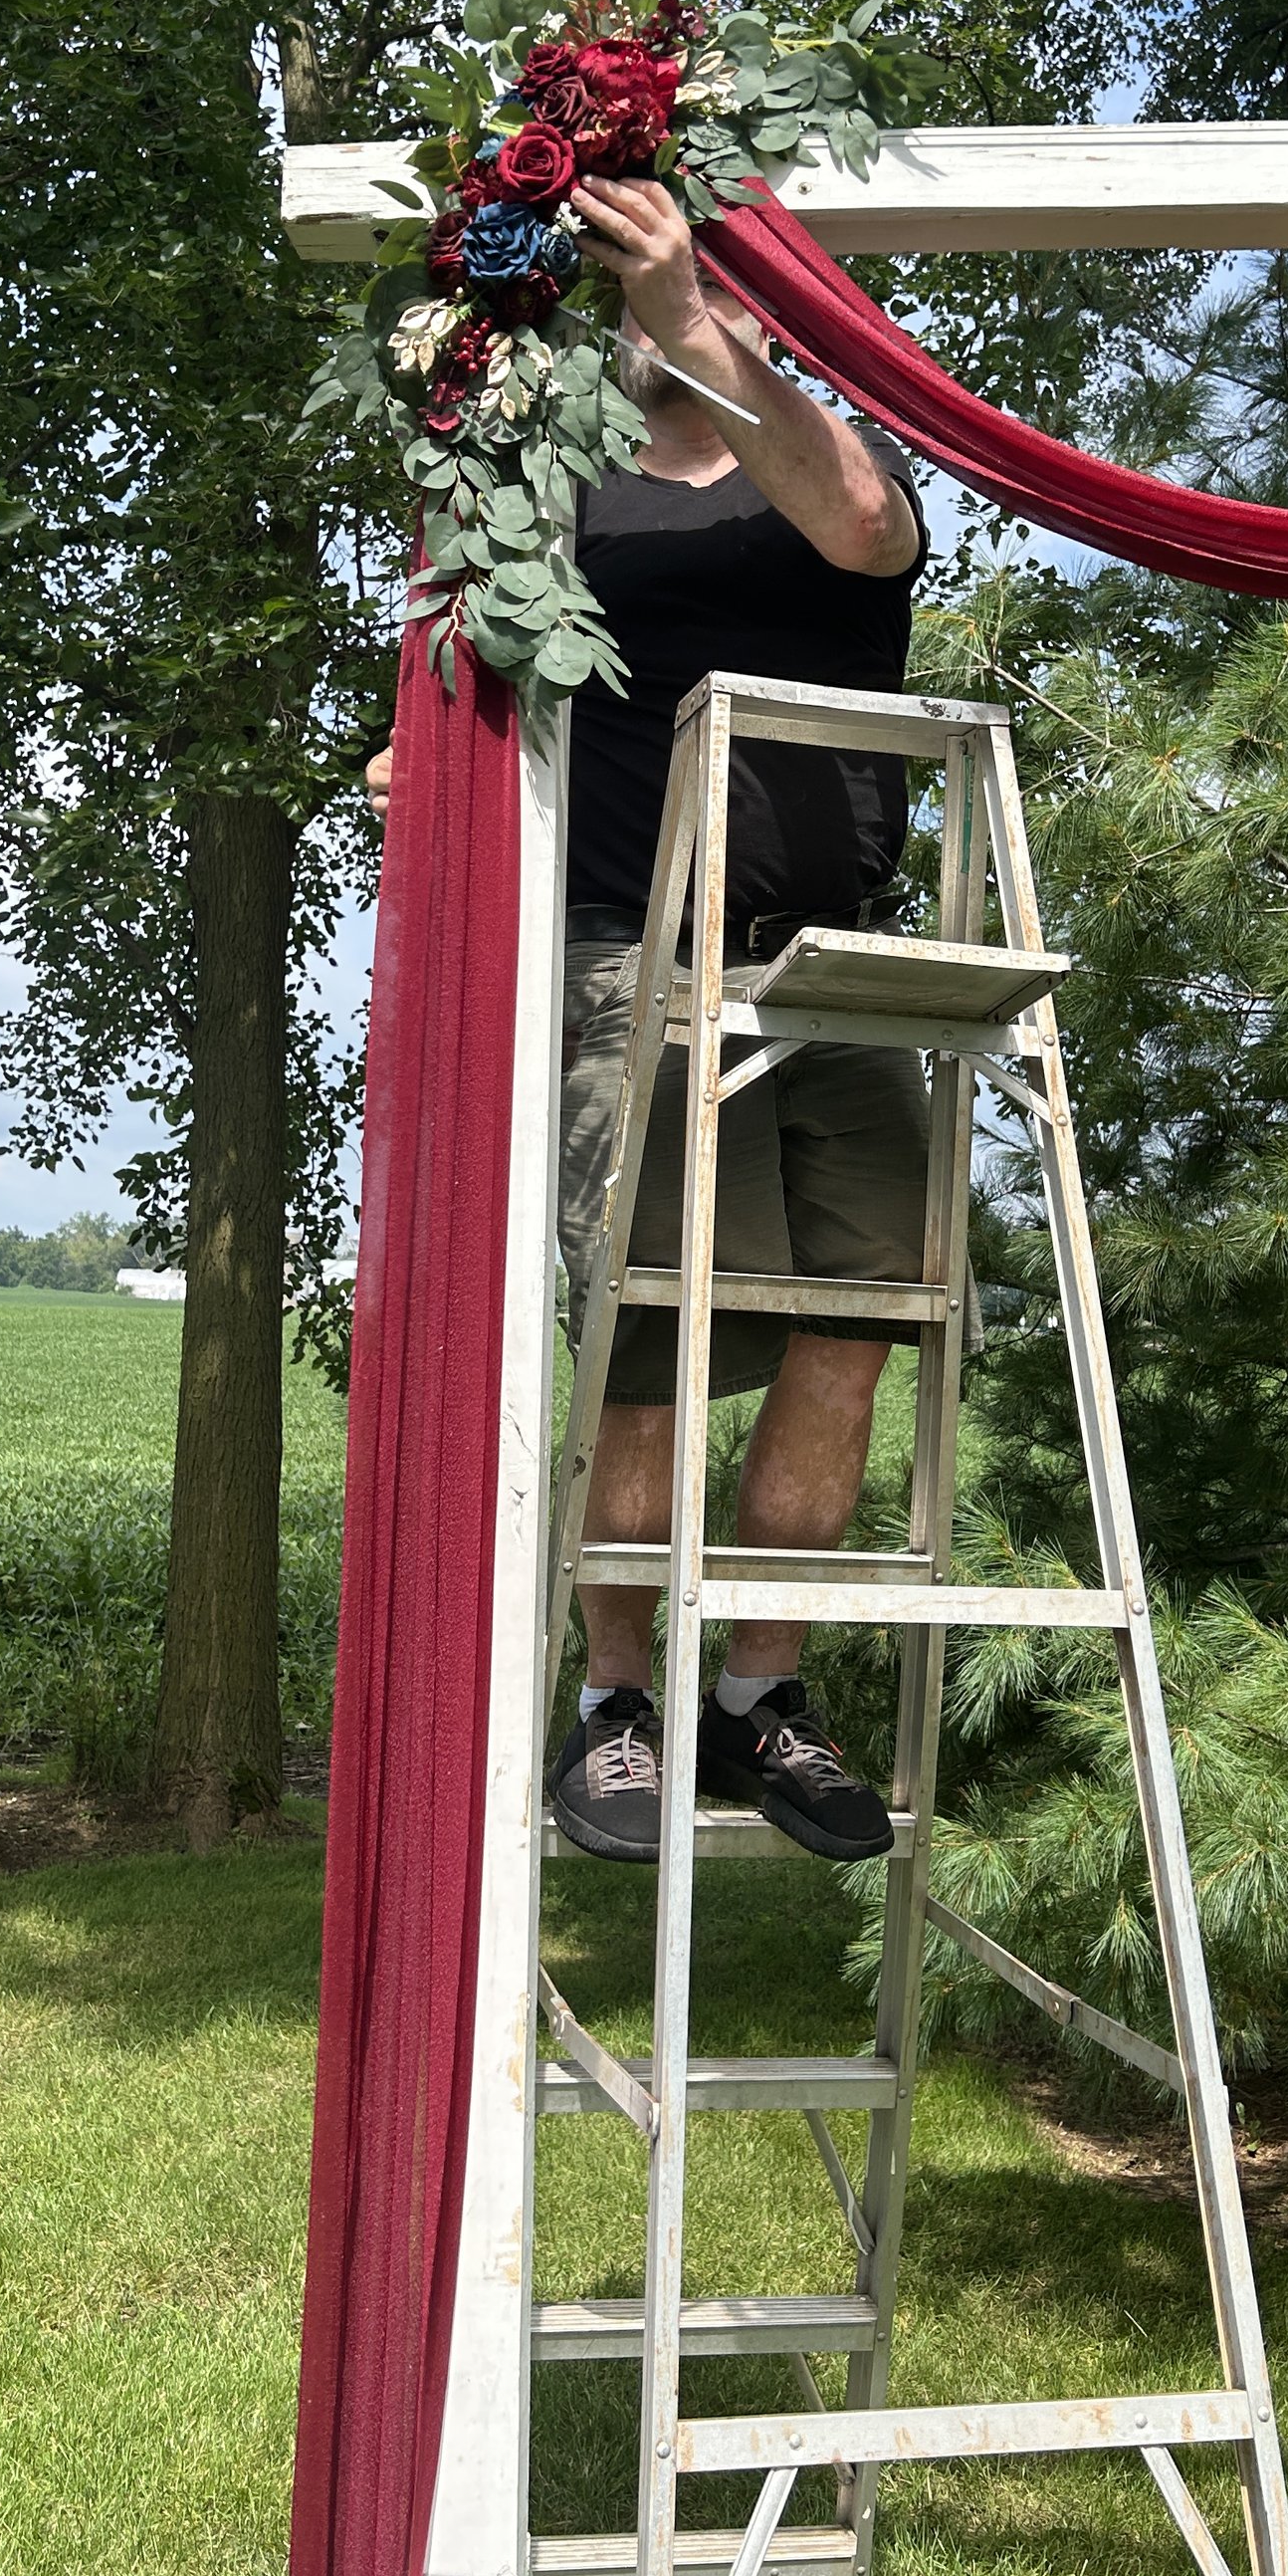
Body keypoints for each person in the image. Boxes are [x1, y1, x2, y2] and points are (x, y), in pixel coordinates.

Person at [367, 171, 929, 1867]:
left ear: (777, 315)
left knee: (860, 1324)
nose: (681, 320)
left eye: (715, 295)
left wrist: (710, 333)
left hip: (837, 970)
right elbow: (455, 684)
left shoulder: (827, 474)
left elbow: (865, 530)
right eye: (649, 300)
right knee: (653, 1351)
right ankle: (618, 1705)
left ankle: (759, 1701)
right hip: (636, 961)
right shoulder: (566, 510)